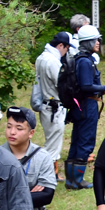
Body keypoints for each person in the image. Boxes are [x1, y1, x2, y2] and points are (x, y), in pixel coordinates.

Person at [65, 24, 105, 190]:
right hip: (87, 105)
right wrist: (104, 88)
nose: (98, 42)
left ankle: (72, 180)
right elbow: (86, 86)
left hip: (80, 106)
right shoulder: (85, 62)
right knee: (85, 142)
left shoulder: (79, 59)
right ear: (87, 42)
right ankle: (77, 180)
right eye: (95, 40)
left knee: (77, 141)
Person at [34, 32, 70, 178]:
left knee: (52, 140)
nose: (66, 53)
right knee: (52, 145)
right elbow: (60, 84)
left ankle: (52, 173)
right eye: (66, 48)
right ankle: (43, 174)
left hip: (45, 105)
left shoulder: (41, 57)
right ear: (61, 46)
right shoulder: (52, 61)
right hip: (53, 106)